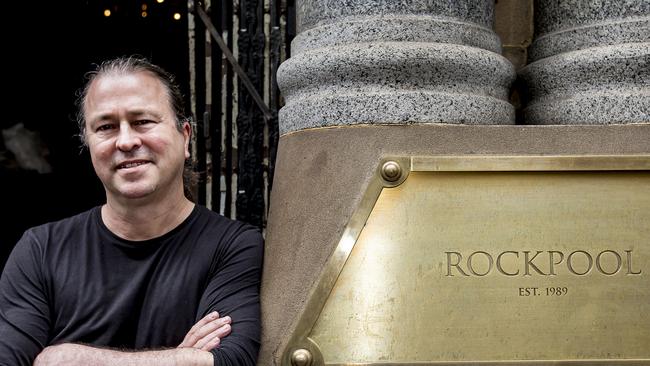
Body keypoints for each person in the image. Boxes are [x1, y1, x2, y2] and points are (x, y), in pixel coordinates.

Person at [0, 56, 264, 366]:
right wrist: (182, 358)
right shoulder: (40, 250)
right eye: (106, 127)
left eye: (142, 121)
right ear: (88, 145)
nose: (125, 141)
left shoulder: (233, 246)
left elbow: (233, 360)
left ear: (186, 136)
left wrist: (73, 359)